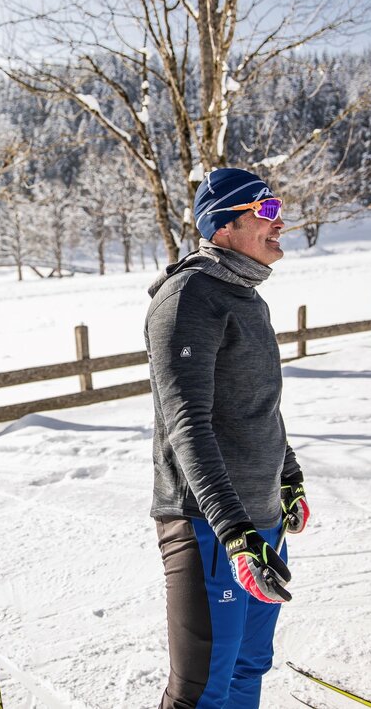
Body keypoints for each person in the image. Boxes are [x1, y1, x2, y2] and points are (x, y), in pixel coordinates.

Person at [145, 168, 310, 709]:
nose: (279, 222)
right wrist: (234, 530)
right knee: (201, 690)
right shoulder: (189, 296)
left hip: (261, 518)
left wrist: (288, 475)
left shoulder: (246, 295)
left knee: (248, 667)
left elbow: (257, 404)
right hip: (209, 525)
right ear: (221, 228)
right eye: (264, 212)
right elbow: (185, 422)